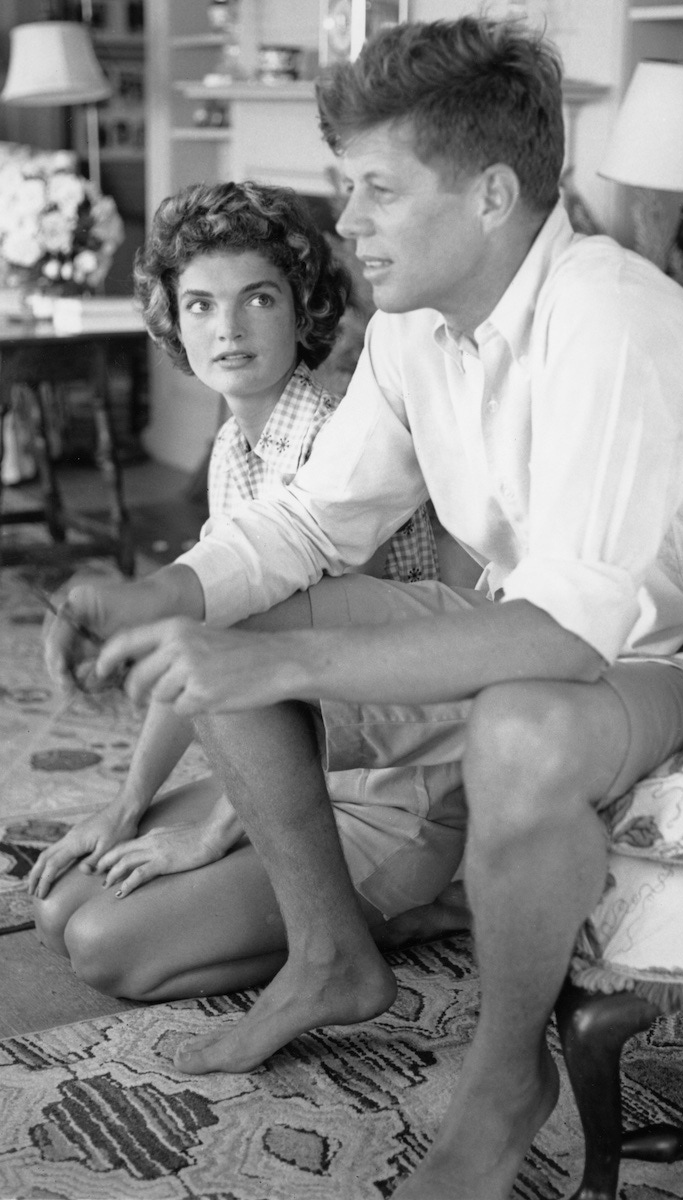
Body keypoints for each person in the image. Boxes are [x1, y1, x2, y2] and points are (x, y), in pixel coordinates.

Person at [41, 17, 683, 1200]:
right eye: (347, 188)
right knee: (244, 621)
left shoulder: (612, 320)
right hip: (538, 629)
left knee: (522, 723)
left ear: (491, 193)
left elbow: (564, 638)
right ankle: (330, 955)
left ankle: (505, 1081)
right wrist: (151, 593)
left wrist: (283, 675)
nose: (344, 224)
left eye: (376, 191)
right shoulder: (409, 331)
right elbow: (305, 526)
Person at [30, 180, 468, 1005]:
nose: (226, 329)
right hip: (301, 778)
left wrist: (206, 836)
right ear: (172, 322)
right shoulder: (235, 448)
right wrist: (128, 804)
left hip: (391, 789)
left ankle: (408, 914)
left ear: (301, 308)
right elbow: (196, 638)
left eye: (256, 298)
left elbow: (320, 681)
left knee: (102, 947)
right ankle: (334, 918)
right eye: (199, 305)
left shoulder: (345, 444)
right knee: (59, 905)